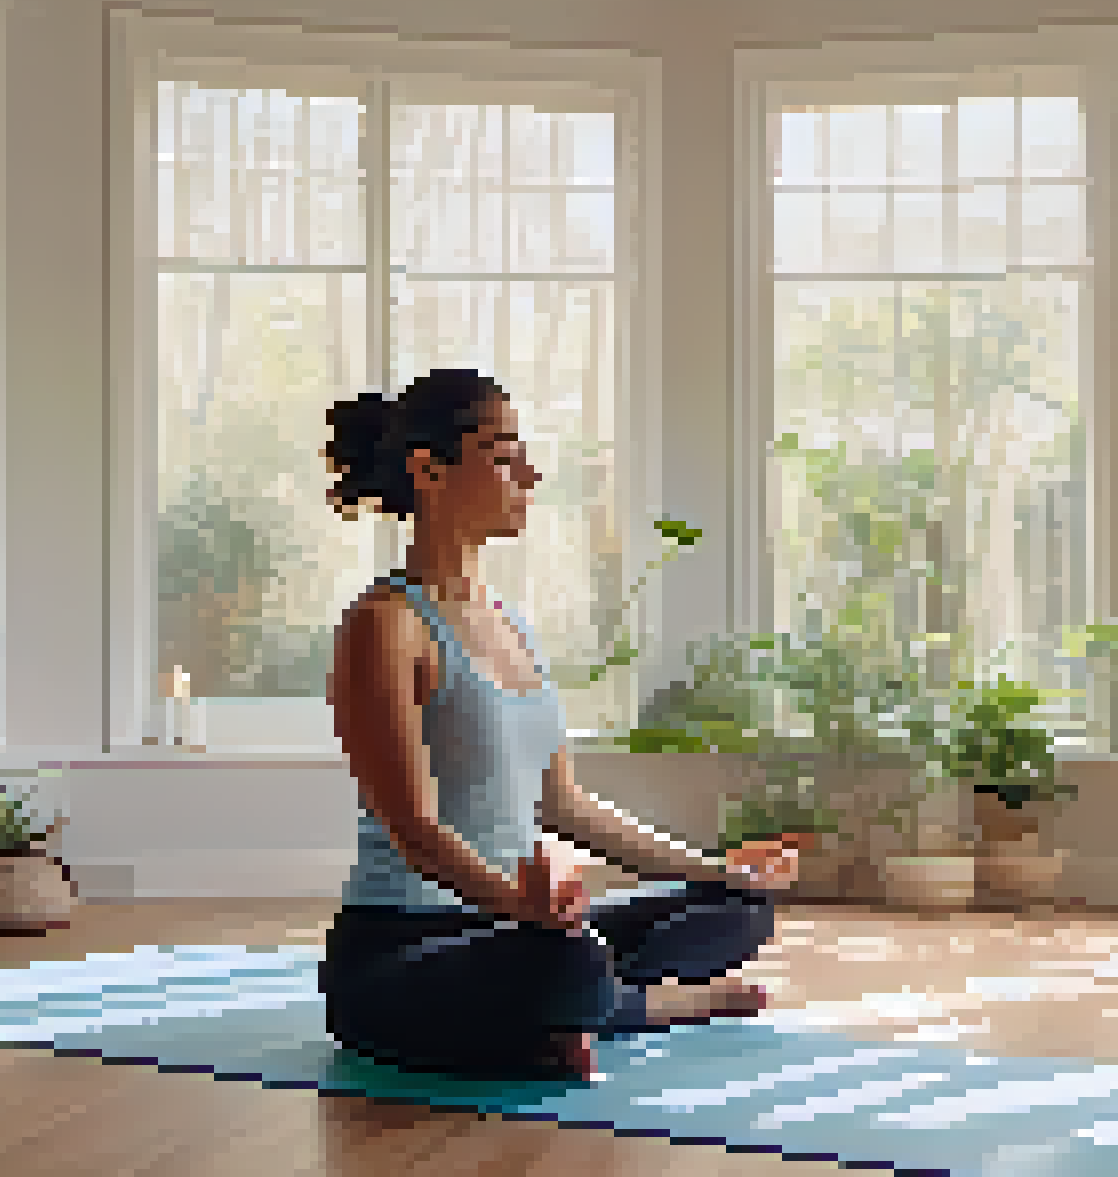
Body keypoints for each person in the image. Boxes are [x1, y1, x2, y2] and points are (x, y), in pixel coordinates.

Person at [318, 368, 800, 1082]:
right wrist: (522, 907)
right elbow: (416, 834)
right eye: (506, 455)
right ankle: (658, 1005)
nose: (532, 475)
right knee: (567, 962)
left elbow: (563, 805)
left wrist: (724, 871)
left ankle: (579, 1012)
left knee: (736, 911)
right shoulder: (386, 625)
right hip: (406, 946)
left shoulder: (513, 625)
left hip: (524, 929)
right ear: (429, 469)